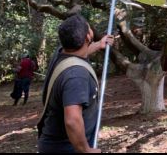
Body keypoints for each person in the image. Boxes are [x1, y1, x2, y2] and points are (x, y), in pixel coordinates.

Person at [37, 14, 115, 154]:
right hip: (66, 148)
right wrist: (85, 150)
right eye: (89, 28)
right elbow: (72, 120)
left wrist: (98, 44)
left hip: (56, 144)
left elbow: (79, 52)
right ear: (87, 37)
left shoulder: (61, 54)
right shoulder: (76, 76)